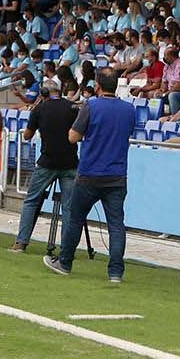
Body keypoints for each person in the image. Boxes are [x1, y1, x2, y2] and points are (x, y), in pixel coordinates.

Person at [45, 71, 137, 283]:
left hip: (90, 173)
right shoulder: (129, 108)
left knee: (75, 218)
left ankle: (65, 262)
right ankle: (116, 272)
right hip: (117, 174)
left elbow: (72, 136)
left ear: (97, 85)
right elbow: (127, 132)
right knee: (116, 224)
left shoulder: (91, 106)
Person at [12, 80, 79, 253]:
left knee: (31, 201)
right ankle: (67, 248)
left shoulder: (39, 110)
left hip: (47, 162)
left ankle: (21, 242)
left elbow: (27, 135)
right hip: (70, 162)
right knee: (69, 207)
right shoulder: (72, 107)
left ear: (43, 93)